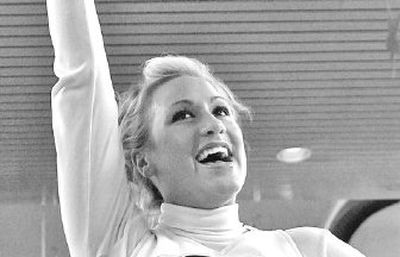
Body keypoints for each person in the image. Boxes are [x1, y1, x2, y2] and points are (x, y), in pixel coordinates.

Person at [47, 0, 366, 257]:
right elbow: (81, 78)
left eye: (221, 110)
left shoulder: (311, 249)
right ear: (144, 161)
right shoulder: (122, 246)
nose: (213, 125)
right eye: (183, 115)